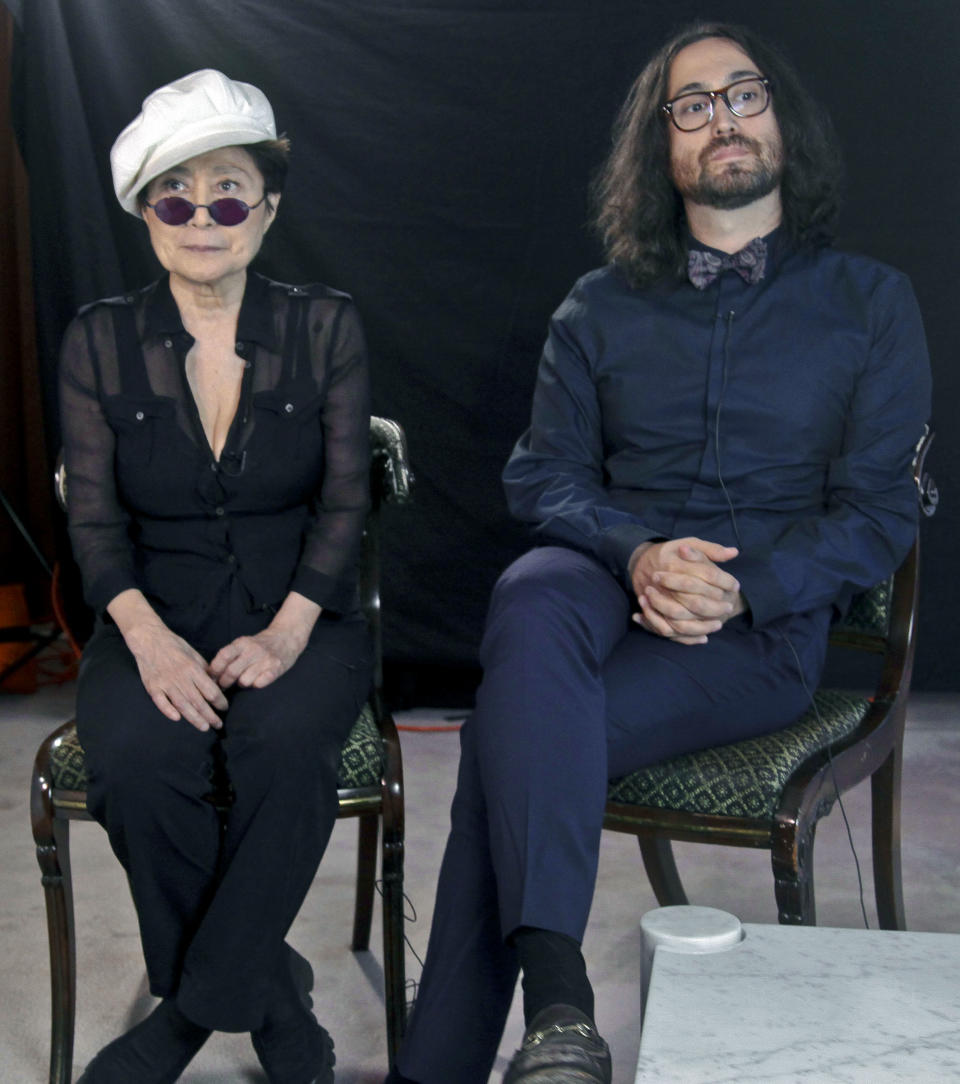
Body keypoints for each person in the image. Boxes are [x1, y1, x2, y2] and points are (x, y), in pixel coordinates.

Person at [387, 21, 931, 1084]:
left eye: (745, 93)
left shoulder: (872, 305)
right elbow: (540, 476)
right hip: (600, 590)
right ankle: (558, 1007)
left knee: (511, 734)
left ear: (783, 122)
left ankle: (463, 1059)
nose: (723, 116)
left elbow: (879, 515)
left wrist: (740, 589)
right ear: (662, 146)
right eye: (693, 103)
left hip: (757, 639)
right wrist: (637, 553)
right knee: (534, 583)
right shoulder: (598, 308)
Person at [59, 69, 372, 1084]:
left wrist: (287, 631)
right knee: (141, 764)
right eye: (176, 196)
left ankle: (183, 1020)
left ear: (268, 208)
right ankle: (276, 1000)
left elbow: (343, 502)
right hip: (155, 616)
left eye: (229, 192)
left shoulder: (325, 325)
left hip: (305, 615)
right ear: (148, 215)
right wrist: (146, 637)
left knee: (283, 750)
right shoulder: (97, 340)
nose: (204, 217)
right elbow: (94, 519)